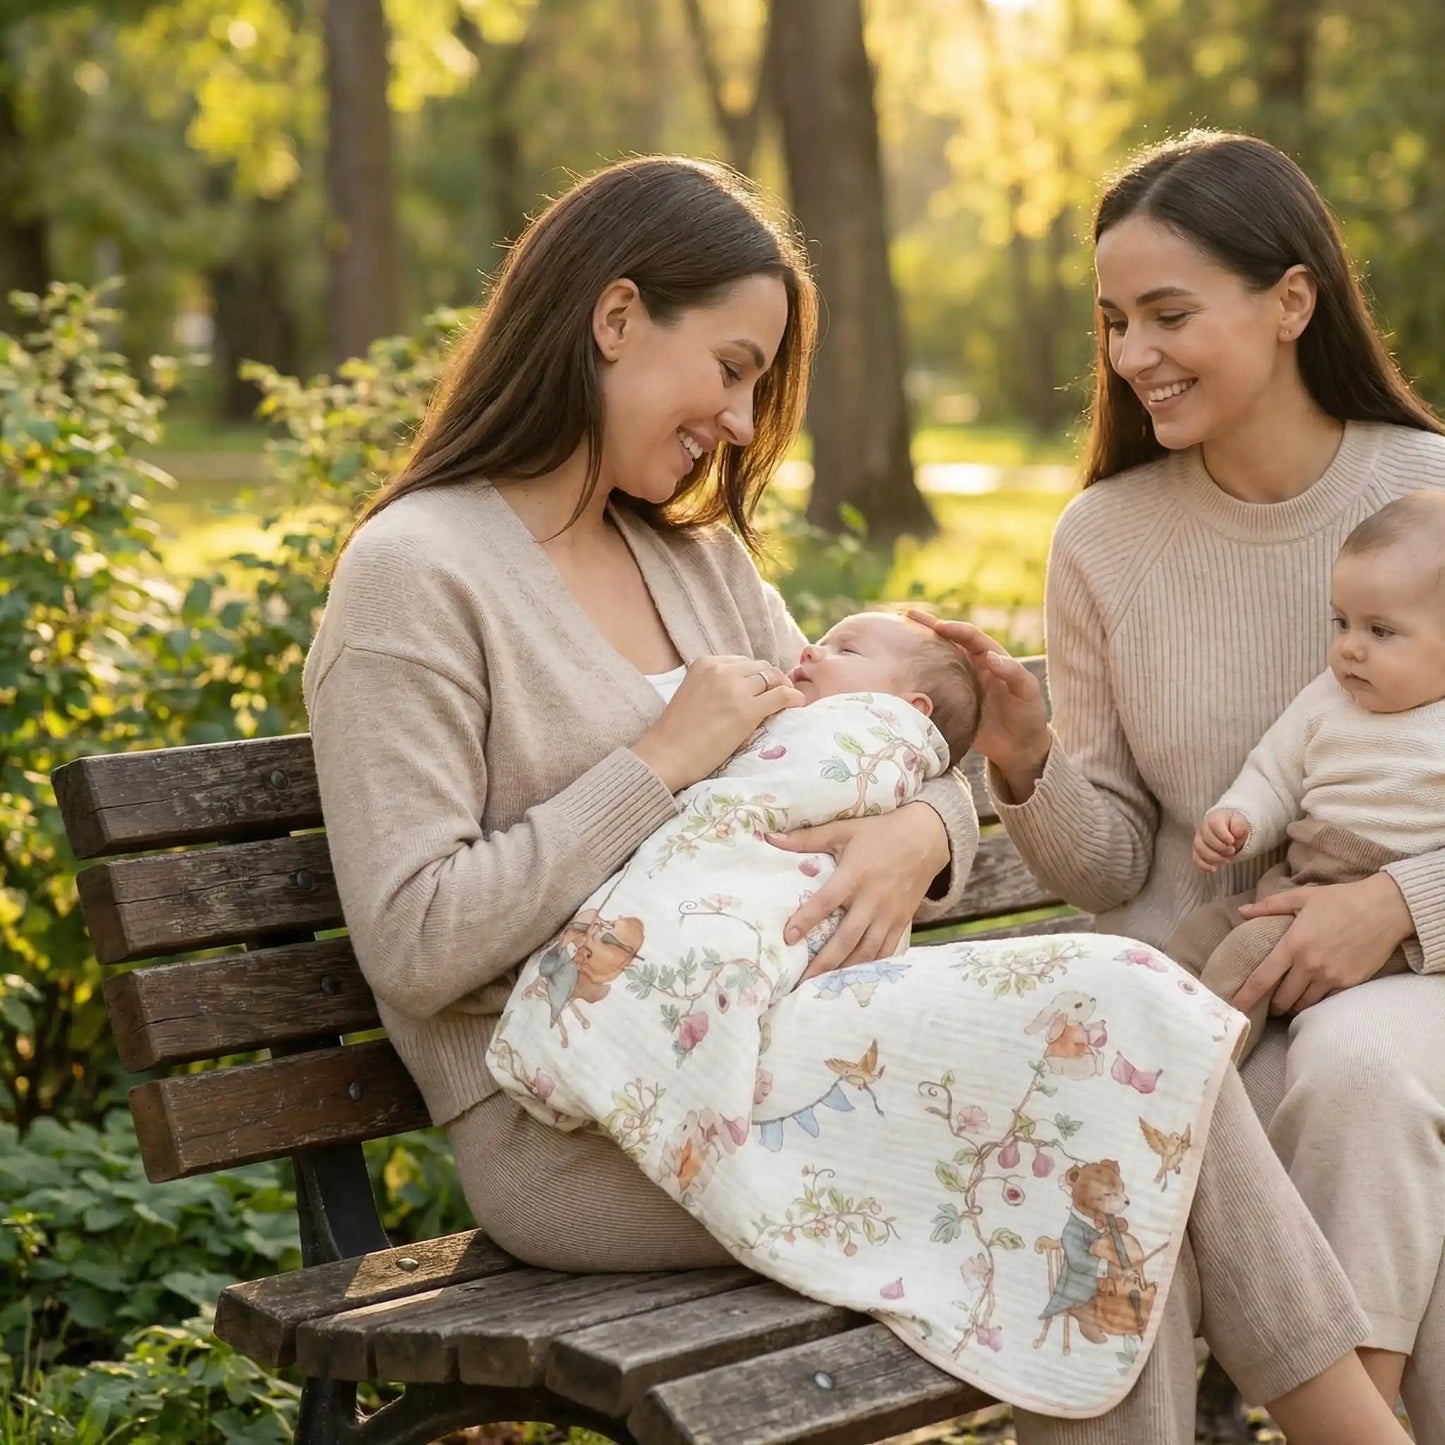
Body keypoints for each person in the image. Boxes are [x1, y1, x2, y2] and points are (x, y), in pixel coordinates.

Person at [303, 153, 1413, 1442]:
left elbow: (888, 746)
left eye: (754, 381)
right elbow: (416, 935)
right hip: (587, 1120)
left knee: (1113, 1113)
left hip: (798, 1048)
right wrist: (656, 761)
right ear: (614, 320)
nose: (737, 416)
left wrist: (915, 831)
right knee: (1119, 1043)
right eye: (728, 366)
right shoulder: (415, 575)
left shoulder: (697, 562)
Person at [917, 130, 1445, 1441]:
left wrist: (1398, 901)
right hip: (1198, 1017)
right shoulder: (1104, 539)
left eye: (1166, 313)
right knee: (1268, 1101)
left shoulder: (1427, 497)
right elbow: (1104, 867)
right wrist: (1027, 761)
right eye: (1111, 322)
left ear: (1290, 299)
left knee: (1365, 1072)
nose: (1130, 354)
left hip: (1414, 992)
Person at [1170, 490, 1445, 1062]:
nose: (1349, 648)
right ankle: (1136, 1041)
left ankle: (1187, 1077)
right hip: (1298, 879)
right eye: (1342, 622)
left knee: (1249, 955)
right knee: (1195, 937)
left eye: (1381, 631)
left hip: (1382, 916)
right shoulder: (1329, 696)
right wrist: (1239, 816)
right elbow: (1274, 771)